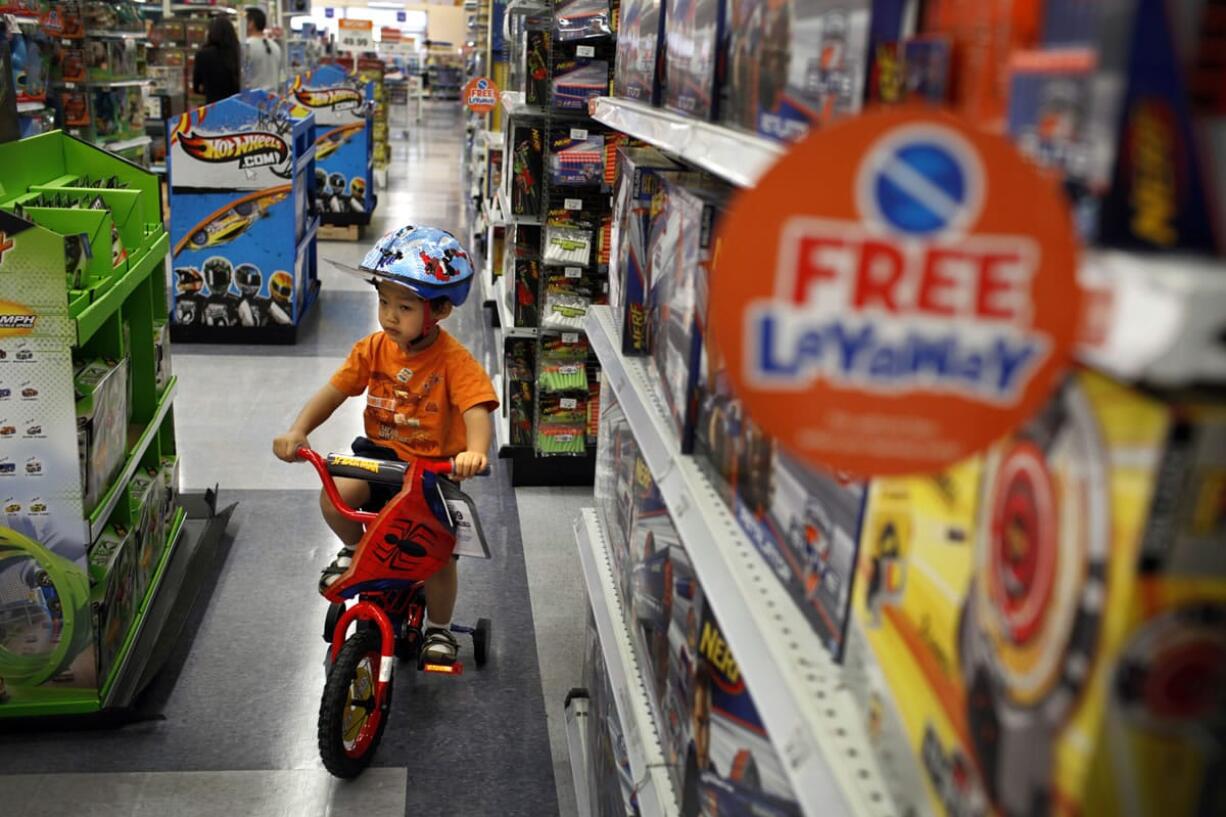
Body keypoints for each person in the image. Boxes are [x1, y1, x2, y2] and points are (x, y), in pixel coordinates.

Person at [273, 227, 497, 664]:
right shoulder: (374, 349)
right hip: (379, 457)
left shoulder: (455, 362)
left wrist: (475, 451)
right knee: (338, 495)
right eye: (384, 303)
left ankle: (439, 629)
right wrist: (299, 429)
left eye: (405, 307)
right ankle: (356, 549)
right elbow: (334, 392)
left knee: (437, 555)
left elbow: (476, 410)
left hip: (432, 469)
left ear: (440, 310)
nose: (390, 316)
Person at [192, 17, 241, 104]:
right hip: (236, 106)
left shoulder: (202, 55)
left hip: (212, 106)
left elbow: (196, 87)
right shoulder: (238, 53)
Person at [243, 6, 283, 90]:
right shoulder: (275, 46)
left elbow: (243, 77)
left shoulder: (246, 46)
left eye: (243, 21)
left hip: (254, 100)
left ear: (251, 23)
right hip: (273, 98)